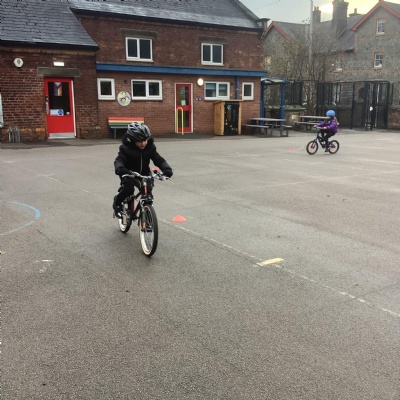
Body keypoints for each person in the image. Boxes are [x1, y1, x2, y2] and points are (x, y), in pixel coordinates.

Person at [112, 122, 173, 215]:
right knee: (128, 189)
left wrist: (166, 169)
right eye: (139, 141)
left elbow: (159, 160)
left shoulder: (150, 147)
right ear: (132, 140)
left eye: (145, 140)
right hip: (129, 173)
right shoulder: (126, 148)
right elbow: (119, 160)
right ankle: (117, 202)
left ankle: (147, 216)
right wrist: (120, 169)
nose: (143, 143)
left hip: (144, 174)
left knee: (148, 192)